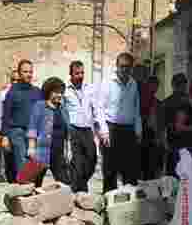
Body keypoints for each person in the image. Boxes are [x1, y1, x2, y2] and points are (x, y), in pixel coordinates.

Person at [94, 52, 141, 193]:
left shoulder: (133, 84)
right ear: (117, 66)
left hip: (128, 130)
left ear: (131, 68)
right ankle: (108, 202)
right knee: (110, 170)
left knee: (130, 169)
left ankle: (128, 203)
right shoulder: (108, 83)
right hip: (111, 129)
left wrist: (138, 130)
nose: (125, 69)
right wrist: (103, 130)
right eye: (122, 66)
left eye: (128, 67)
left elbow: (136, 109)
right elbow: (99, 108)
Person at [0, 59, 42, 181]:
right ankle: (24, 191)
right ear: (19, 73)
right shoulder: (12, 92)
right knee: (22, 163)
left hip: (33, 134)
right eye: (25, 72)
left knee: (33, 163)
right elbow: (6, 115)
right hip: (17, 132)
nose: (28, 74)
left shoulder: (37, 92)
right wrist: (5, 136)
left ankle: (31, 190)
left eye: (30, 72)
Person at [26, 77, 71, 188]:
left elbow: (68, 131)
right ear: (48, 92)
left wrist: (69, 149)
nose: (59, 95)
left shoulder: (63, 109)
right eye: (56, 92)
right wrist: (31, 148)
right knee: (32, 183)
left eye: (61, 92)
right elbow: (32, 127)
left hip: (58, 152)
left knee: (65, 183)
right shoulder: (39, 106)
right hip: (41, 151)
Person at [63, 60, 97, 193]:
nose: (81, 76)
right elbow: (63, 111)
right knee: (77, 162)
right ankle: (78, 191)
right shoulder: (65, 91)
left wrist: (100, 128)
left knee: (92, 159)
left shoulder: (90, 88)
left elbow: (96, 108)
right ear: (71, 74)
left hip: (88, 129)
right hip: (74, 129)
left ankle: (80, 183)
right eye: (77, 73)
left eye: (82, 73)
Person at [0, 64, 21, 183]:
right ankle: (9, 180)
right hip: (6, 131)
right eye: (13, 80)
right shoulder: (3, 94)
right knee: (7, 158)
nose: (15, 82)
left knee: (19, 157)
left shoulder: (24, 93)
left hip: (20, 131)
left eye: (17, 80)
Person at [158, 73, 189, 175]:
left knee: (176, 174)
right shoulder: (190, 101)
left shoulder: (166, 102)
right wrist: (165, 143)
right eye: (180, 84)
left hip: (182, 141)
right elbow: (162, 126)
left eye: (183, 84)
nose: (182, 86)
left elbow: (161, 127)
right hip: (177, 142)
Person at [140, 75, 162, 180]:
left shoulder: (158, 103)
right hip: (143, 136)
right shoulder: (140, 101)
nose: (154, 88)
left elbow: (159, 122)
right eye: (152, 86)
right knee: (143, 167)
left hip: (152, 138)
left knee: (151, 169)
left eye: (156, 86)